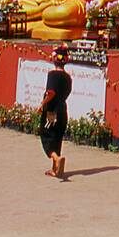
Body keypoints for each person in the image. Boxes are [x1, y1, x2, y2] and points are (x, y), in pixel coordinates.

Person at [38, 46, 72, 178]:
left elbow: (51, 92)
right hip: (62, 110)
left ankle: (56, 159)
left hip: (52, 111)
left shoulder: (53, 75)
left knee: (46, 136)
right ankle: (54, 168)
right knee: (57, 137)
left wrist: (43, 104)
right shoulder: (68, 78)